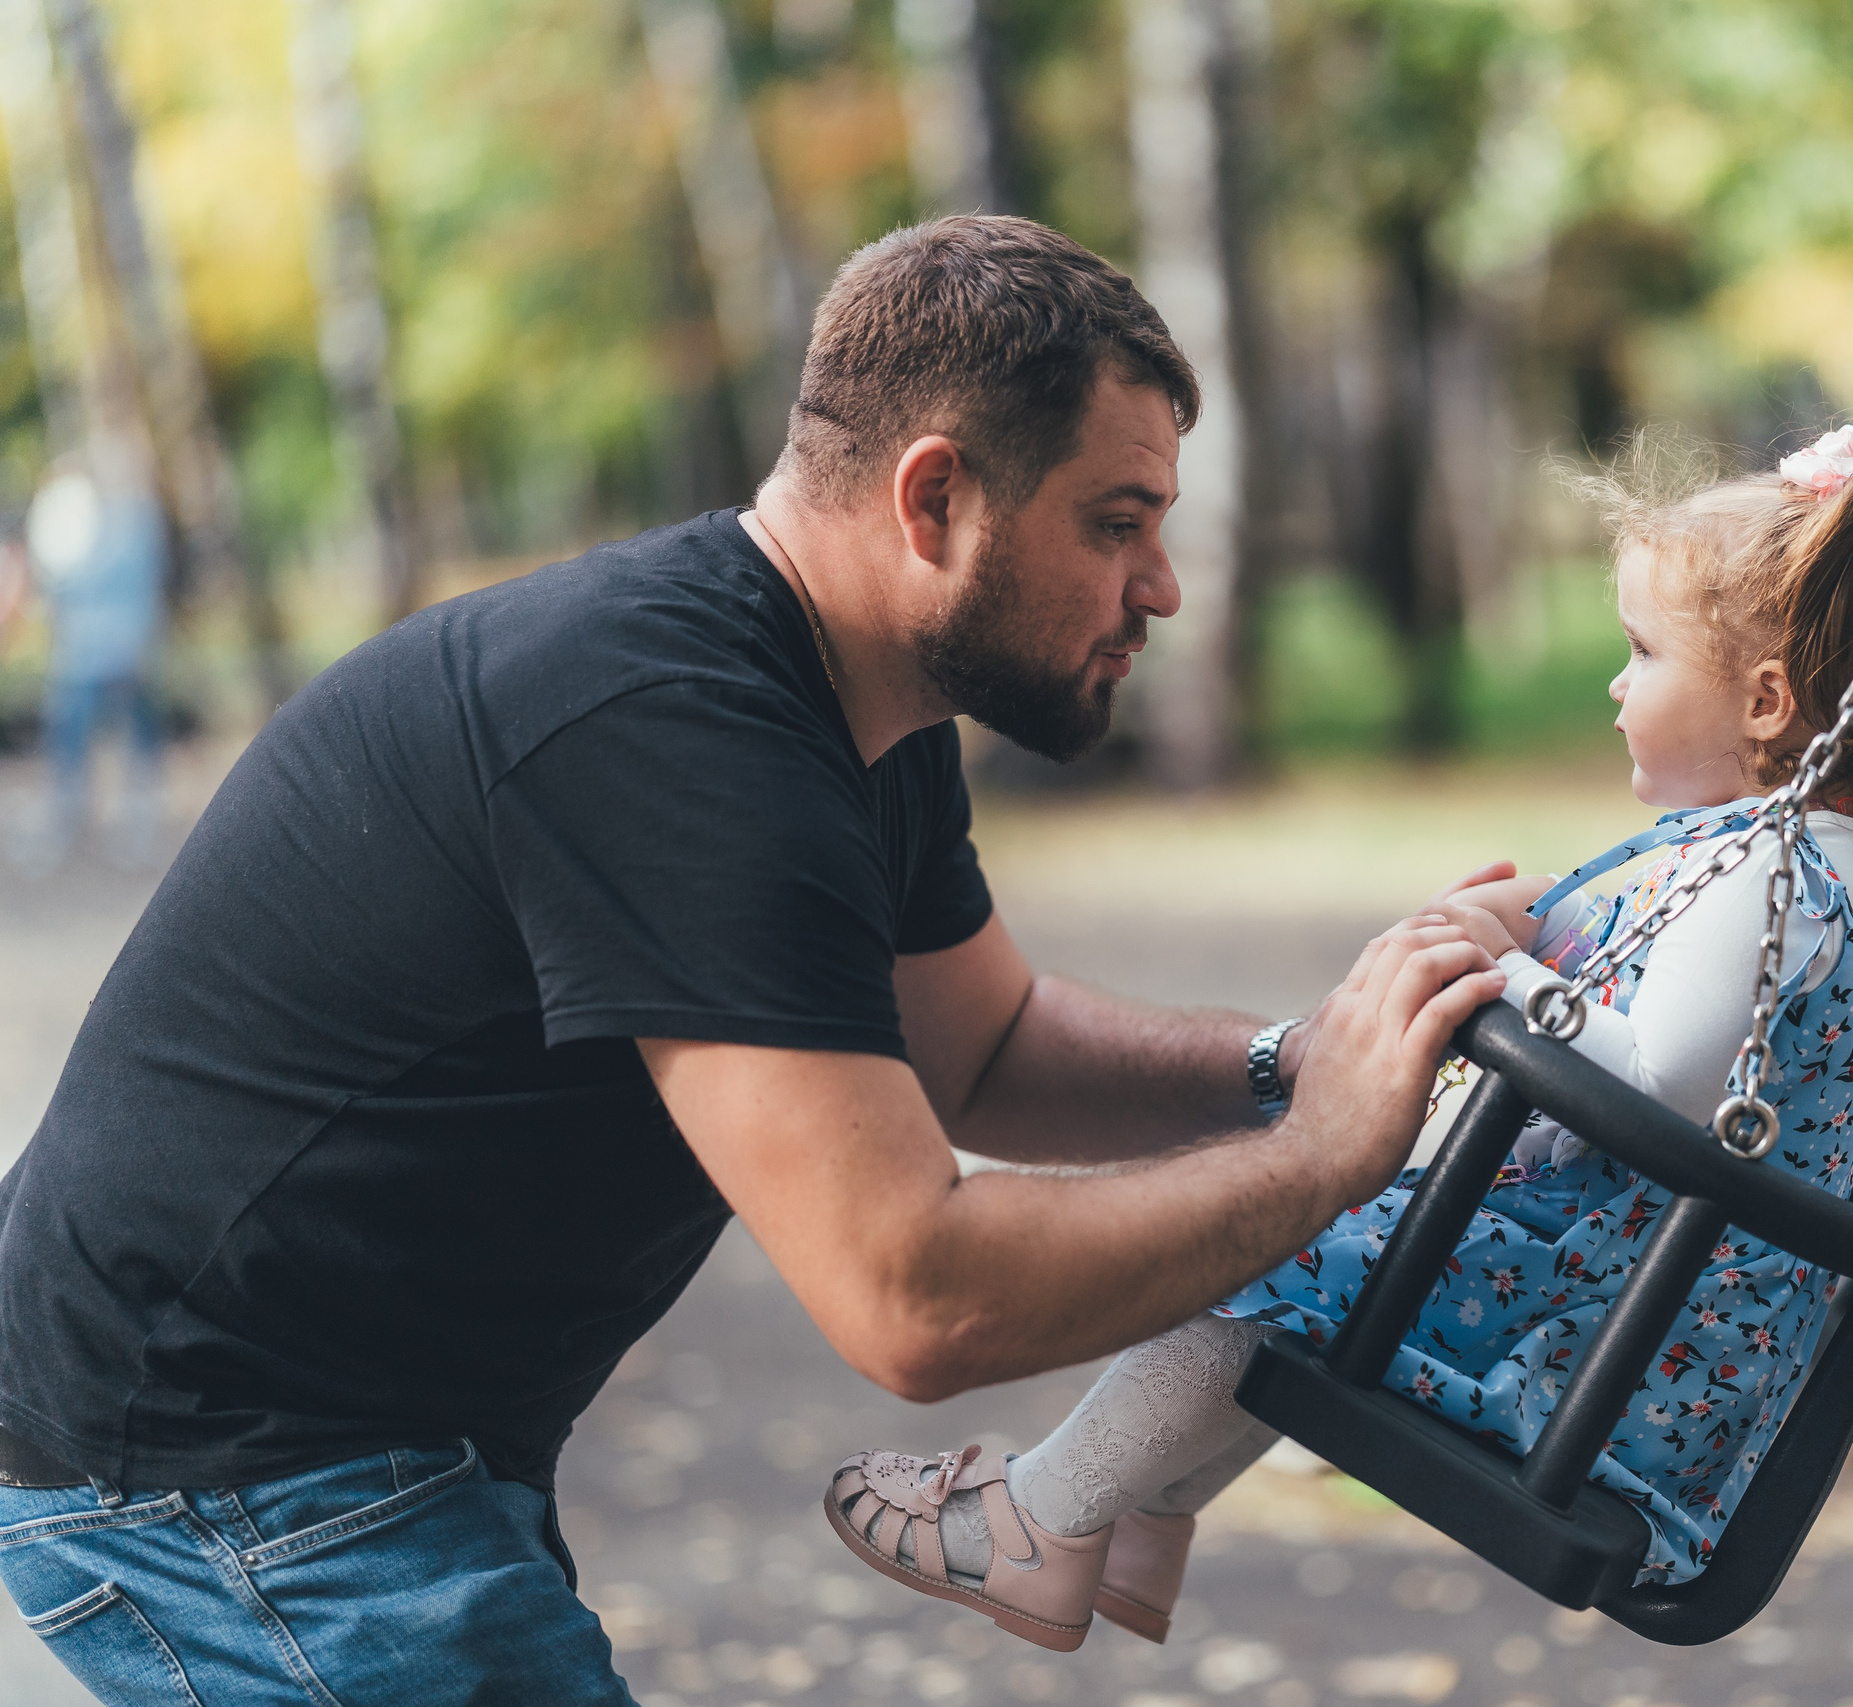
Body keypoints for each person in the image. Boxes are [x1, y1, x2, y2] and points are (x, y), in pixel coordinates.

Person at [0, 216, 1509, 1704]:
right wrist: (1320, 1154)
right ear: (937, 500)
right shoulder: (677, 735)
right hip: (220, 1469)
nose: (1161, 584)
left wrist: (1296, 1060)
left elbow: (985, 1051)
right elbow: (915, 1294)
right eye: (1117, 522)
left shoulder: (860, 707)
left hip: (367, 1448)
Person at [825, 425, 1853, 1650]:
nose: (1618, 685)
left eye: (1643, 653)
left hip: (1595, 1339)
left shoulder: (1764, 871)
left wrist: (1502, 982)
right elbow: (1627, 937)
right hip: (1632, 1312)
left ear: (1766, 700)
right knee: (1322, 1249)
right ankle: (1141, 1519)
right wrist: (1507, 921)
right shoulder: (1814, 864)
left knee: (1257, 1231)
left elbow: (1665, 1087)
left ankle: (1040, 1521)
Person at [8, 437, 168, 871]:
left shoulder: (128, 522)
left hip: (103, 651)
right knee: (86, 738)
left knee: (104, 737)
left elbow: (131, 587)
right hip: (91, 651)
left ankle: (119, 826)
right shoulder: (111, 520)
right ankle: (90, 826)